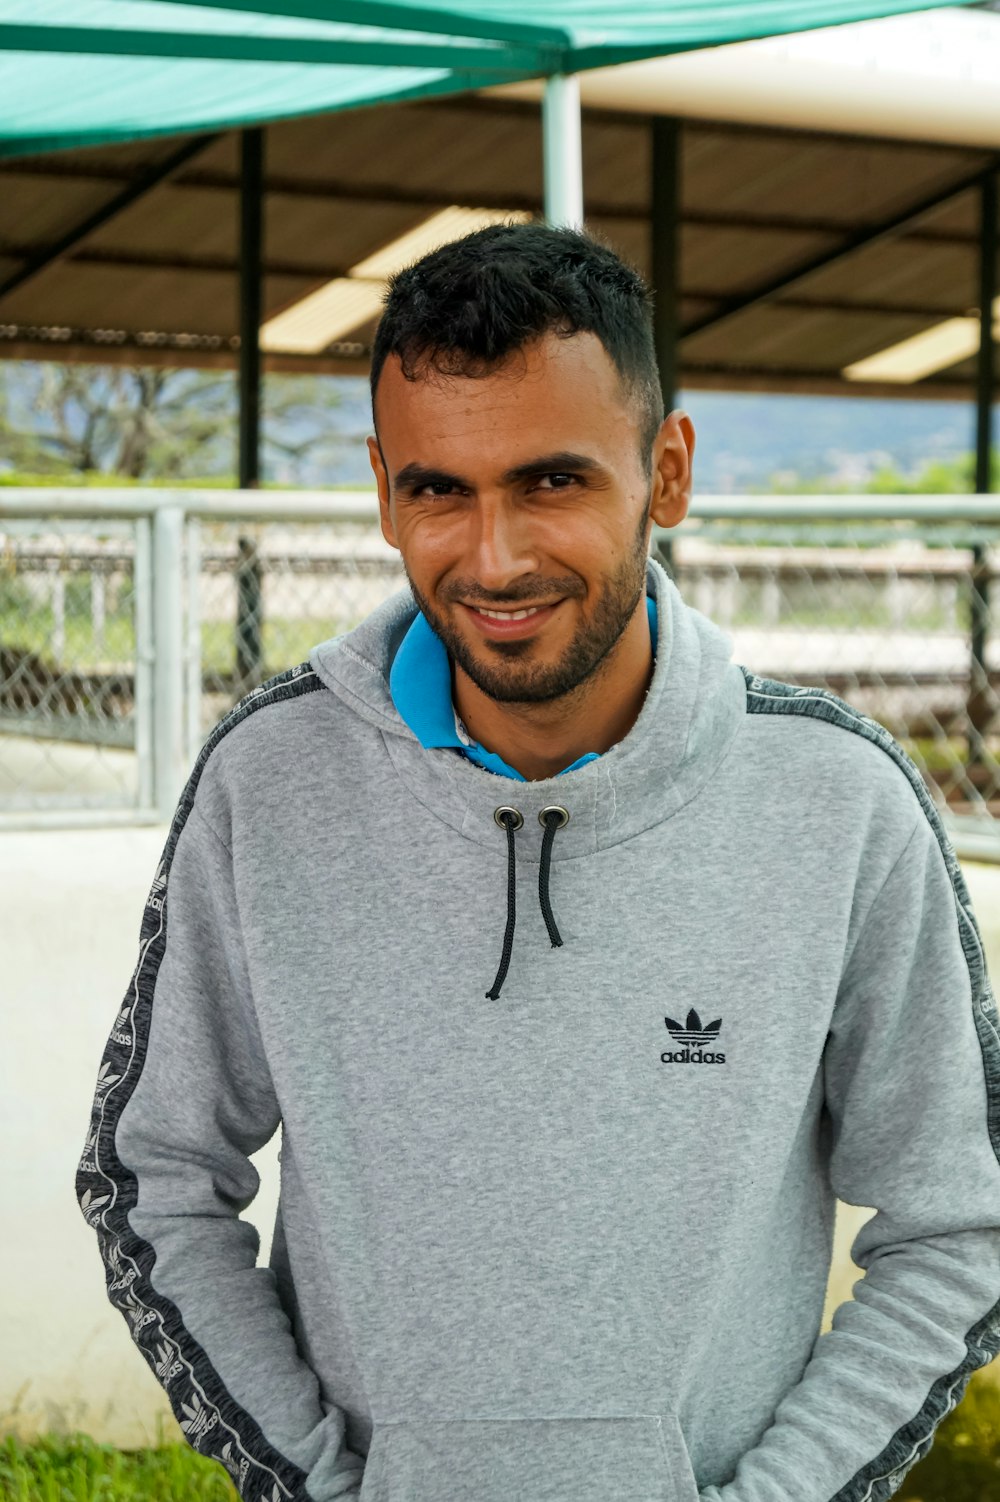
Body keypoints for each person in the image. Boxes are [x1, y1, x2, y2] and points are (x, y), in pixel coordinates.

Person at [76, 221, 1000, 1502]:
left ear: (664, 472)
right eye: (437, 488)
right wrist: (313, 1485)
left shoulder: (839, 802)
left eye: (551, 481)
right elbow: (153, 1173)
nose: (493, 555)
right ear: (383, 483)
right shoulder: (270, 784)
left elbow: (960, 1221)